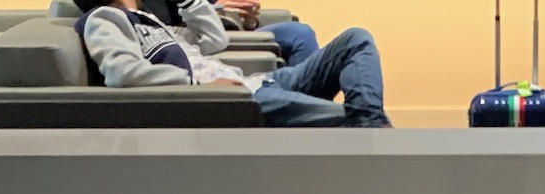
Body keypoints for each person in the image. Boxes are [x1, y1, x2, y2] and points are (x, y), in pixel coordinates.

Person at [75, 0, 389, 127]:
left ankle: (371, 132)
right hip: (237, 97)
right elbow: (122, 73)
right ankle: (375, 138)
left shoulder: (149, 19)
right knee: (347, 118)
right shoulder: (105, 18)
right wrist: (199, 88)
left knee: (356, 39)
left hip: (259, 83)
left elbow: (215, 41)